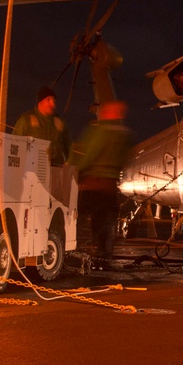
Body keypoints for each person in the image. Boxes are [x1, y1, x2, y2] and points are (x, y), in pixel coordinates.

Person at [68, 100, 134, 262]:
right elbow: (126, 158)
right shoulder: (125, 135)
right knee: (105, 223)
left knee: (77, 217)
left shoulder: (98, 132)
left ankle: (72, 251)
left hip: (93, 184)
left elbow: (90, 154)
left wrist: (78, 171)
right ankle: (105, 254)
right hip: (110, 186)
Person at [13, 86, 72, 166]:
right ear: (40, 102)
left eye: (54, 101)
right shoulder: (27, 120)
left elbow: (68, 148)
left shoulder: (59, 124)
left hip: (55, 170)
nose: (53, 104)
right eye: (49, 100)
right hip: (31, 170)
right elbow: (14, 143)